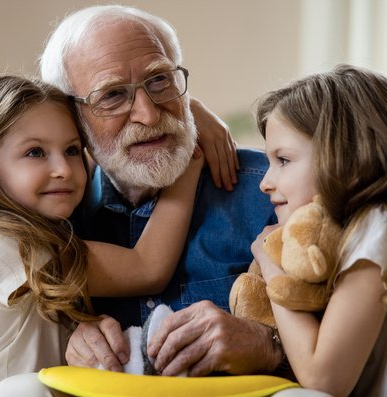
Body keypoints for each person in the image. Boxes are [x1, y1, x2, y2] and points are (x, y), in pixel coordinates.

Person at [0, 74, 205, 396]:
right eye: (35, 153)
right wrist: (189, 157)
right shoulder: (1, 245)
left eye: (72, 150)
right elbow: (146, 268)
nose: (64, 169)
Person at [39, 4, 281, 377]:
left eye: (159, 81)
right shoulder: (58, 219)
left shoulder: (272, 189)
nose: (149, 115)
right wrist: (72, 340)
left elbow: (353, 356)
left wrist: (267, 344)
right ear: (73, 119)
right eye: (112, 96)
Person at [251, 64, 387, 396]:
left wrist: (268, 261)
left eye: (283, 160)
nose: (265, 182)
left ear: (342, 155)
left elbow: (322, 379)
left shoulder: (380, 225)